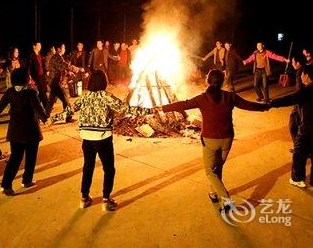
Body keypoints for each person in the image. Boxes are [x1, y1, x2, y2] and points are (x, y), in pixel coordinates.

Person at [158, 69, 268, 212]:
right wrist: (266, 107)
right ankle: (213, 193)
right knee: (218, 167)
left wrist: (162, 108)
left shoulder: (203, 98)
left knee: (210, 171)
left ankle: (226, 200)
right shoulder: (230, 96)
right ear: (222, 82)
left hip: (210, 140)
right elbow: (249, 105)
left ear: (208, 81)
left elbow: (183, 105)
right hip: (227, 139)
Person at [50, 70, 155, 211]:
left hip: (86, 138)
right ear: (103, 82)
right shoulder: (106, 97)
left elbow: (69, 110)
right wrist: (151, 111)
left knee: (88, 167)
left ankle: (84, 198)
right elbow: (127, 109)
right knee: (109, 169)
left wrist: (53, 118)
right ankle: (106, 200)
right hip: (103, 138)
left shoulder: (86, 97)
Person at [0, 67, 49, 195]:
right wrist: (46, 119)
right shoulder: (31, 93)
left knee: (15, 158)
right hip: (31, 131)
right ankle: (26, 180)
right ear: (25, 79)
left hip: (15, 131)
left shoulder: (10, 92)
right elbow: (38, 109)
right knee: (31, 157)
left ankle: (6, 185)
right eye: (28, 76)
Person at [270, 65, 313, 188]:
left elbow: (288, 99)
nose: (301, 77)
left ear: (307, 76)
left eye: (302, 74)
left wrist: (272, 104)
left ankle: (297, 178)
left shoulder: (306, 91)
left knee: (299, 153)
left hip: (307, 129)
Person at [47, 43, 70, 115]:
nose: (64, 49)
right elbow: (62, 67)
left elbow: (61, 68)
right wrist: (70, 67)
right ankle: (68, 116)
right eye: (63, 48)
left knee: (51, 102)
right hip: (55, 82)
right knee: (66, 100)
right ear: (59, 49)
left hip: (53, 82)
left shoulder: (56, 57)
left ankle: (43, 116)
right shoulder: (57, 57)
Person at [29, 42, 48, 110]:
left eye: (40, 45)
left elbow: (42, 64)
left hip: (42, 75)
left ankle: (34, 105)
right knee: (42, 91)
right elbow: (29, 66)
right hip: (36, 75)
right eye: (38, 45)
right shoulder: (31, 55)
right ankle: (47, 106)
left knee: (44, 89)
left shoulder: (40, 54)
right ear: (34, 46)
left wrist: (46, 71)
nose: (40, 46)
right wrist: (29, 76)